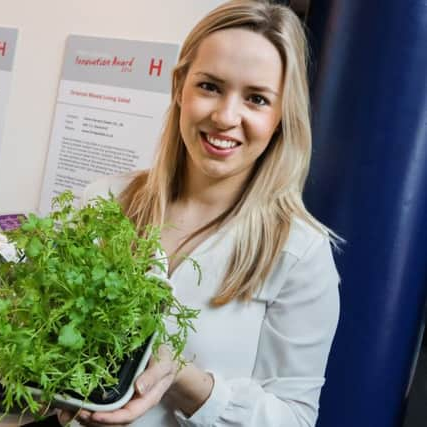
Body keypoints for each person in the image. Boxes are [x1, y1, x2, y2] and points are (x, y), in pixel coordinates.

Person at [58, 1, 341, 426]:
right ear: (179, 87)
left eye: (257, 99)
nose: (226, 116)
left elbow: (295, 419)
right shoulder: (103, 201)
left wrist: (185, 382)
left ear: (282, 116)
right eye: (209, 86)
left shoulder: (299, 254)